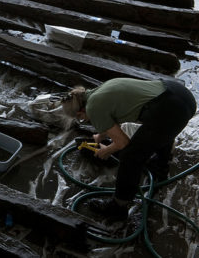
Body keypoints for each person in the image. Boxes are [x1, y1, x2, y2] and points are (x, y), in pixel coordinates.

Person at [61, 78, 196, 220]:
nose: (85, 121)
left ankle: (118, 207)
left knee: (131, 156)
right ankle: (161, 164)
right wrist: (101, 134)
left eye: (82, 119)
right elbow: (116, 112)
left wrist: (105, 151)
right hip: (178, 94)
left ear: (80, 113)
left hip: (171, 108)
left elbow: (123, 142)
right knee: (160, 130)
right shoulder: (98, 92)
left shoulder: (93, 108)